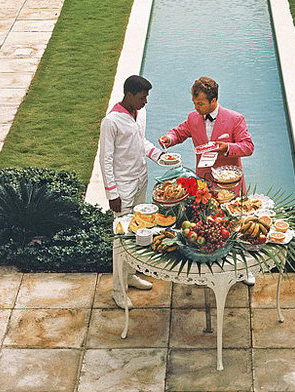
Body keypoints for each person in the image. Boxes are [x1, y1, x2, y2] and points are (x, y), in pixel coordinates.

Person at [99, 74, 163, 309]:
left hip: (140, 181)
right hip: (123, 189)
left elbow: (140, 141)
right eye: (142, 97)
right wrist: (112, 194)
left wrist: (158, 155)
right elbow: (105, 159)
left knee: (139, 232)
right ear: (129, 95)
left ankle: (130, 276)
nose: (146, 101)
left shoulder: (140, 113)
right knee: (121, 239)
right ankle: (117, 290)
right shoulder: (111, 122)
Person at [159, 76, 254, 193]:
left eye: (200, 103)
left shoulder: (236, 119)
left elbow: (248, 147)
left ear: (213, 100)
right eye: (194, 103)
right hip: (202, 184)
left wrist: (227, 148)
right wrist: (169, 138)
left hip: (228, 185)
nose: (196, 107)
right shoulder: (193, 117)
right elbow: (178, 133)